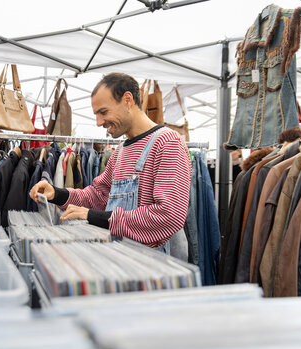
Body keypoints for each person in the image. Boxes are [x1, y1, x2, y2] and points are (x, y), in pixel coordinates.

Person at [29, 73, 191, 253]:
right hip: (119, 257)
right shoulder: (121, 151)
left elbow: (169, 215)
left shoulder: (167, 143)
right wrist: (57, 194)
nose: (99, 123)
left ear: (128, 100)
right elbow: (99, 196)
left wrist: (94, 217)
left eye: (103, 112)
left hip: (151, 265)